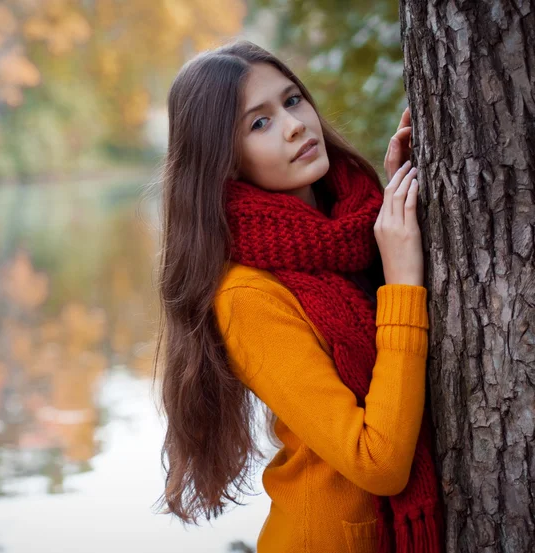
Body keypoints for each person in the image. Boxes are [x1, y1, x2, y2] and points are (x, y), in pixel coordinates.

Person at [152, 40, 443, 553]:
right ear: (225, 162)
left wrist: (397, 199)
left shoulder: (350, 231)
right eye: (258, 123)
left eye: (291, 100)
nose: (294, 125)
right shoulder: (246, 296)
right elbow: (377, 462)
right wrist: (401, 283)